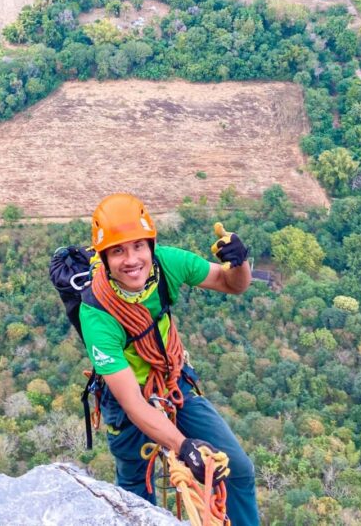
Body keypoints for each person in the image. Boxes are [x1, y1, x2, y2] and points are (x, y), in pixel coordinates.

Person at [79, 192, 260, 525]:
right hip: (126, 402)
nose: (131, 260)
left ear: (151, 245)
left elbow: (232, 284)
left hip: (173, 381)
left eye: (138, 246)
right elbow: (134, 404)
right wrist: (183, 446)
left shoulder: (166, 265)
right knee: (135, 490)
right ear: (103, 257)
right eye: (118, 251)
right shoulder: (96, 314)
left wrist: (239, 263)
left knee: (237, 469)